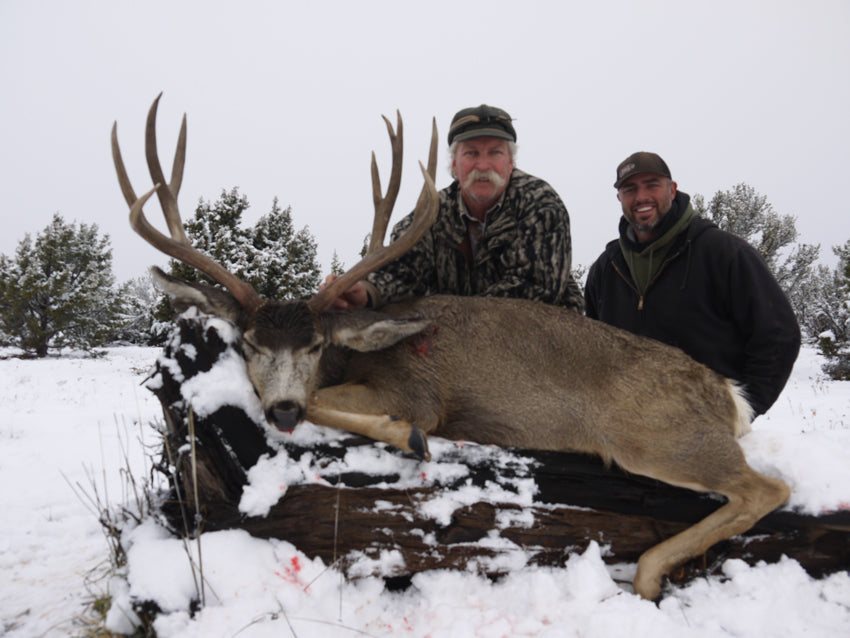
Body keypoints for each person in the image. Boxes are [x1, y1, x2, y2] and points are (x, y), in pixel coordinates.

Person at [584, 151, 801, 420]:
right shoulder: (605, 270)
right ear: (620, 198)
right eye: (630, 189)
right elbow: (594, 353)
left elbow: (778, 335)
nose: (641, 197)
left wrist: (743, 410)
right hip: (629, 433)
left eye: (652, 184)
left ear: (672, 190)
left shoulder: (723, 253)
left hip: (706, 430)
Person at [324, 104, 584, 312]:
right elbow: (402, 274)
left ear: (510, 162)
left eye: (495, 153)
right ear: (455, 165)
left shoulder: (541, 205)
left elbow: (535, 291)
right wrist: (366, 291)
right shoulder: (429, 215)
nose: (483, 166)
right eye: (471, 153)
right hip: (459, 344)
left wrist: (447, 318)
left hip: (544, 343)